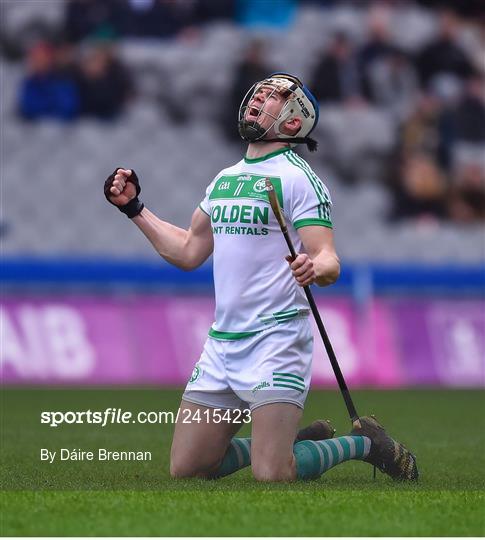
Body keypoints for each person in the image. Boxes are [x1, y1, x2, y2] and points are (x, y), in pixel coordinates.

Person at [104, 73, 418, 482]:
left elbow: (329, 260)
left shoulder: (298, 178)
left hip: (277, 338)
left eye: (273, 98)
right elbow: (186, 252)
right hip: (223, 343)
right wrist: (134, 209)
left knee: (272, 473)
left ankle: (365, 444)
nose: (258, 99)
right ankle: (286, 440)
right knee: (189, 468)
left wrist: (313, 267)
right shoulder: (224, 180)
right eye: (259, 93)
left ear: (292, 123)